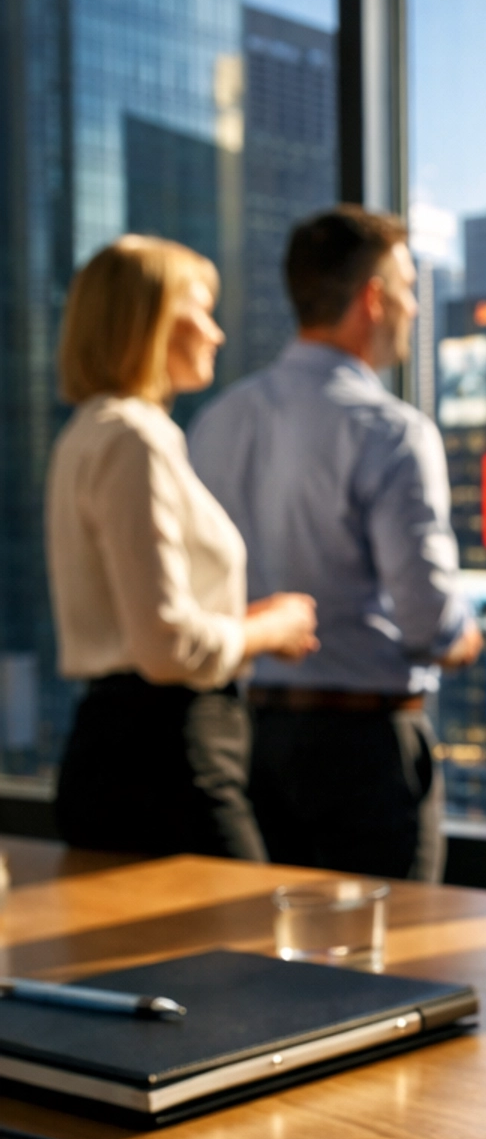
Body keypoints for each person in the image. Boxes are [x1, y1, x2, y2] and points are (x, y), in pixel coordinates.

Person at [189, 205, 481, 881]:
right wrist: (465, 636)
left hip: (246, 741)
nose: (413, 306)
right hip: (364, 754)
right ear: (373, 300)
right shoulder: (392, 432)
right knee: (388, 942)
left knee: (269, 937)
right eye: (407, 289)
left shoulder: (216, 423)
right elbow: (430, 626)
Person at [46, 236, 317, 860]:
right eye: (202, 311)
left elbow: (141, 623)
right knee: (244, 920)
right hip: (168, 757)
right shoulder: (136, 438)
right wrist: (269, 629)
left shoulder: (87, 433)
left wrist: (234, 624)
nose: (216, 334)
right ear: (148, 322)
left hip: (119, 745)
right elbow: (166, 648)